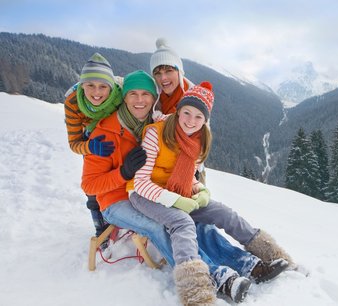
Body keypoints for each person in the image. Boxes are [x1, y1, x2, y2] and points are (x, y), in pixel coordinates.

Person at [81, 70, 281, 305]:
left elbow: (169, 166)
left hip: (158, 190)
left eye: (146, 94)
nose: (139, 100)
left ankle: (247, 262)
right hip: (116, 199)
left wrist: (197, 190)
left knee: (201, 221)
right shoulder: (106, 133)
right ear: (123, 97)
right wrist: (122, 173)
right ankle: (210, 277)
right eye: (133, 94)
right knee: (164, 225)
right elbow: (89, 184)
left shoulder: (158, 123)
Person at [129, 81, 294, 296]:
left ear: (205, 120)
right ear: (178, 111)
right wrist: (176, 201)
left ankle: (260, 258)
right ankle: (197, 285)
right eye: (187, 113)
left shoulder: (198, 141)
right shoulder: (155, 134)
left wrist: (201, 190)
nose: (191, 121)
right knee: (183, 222)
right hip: (144, 194)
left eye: (199, 117)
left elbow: (188, 178)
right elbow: (140, 182)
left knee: (223, 212)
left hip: (178, 192)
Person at [64, 52, 122, 241]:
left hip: (116, 134)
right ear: (82, 85)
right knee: (93, 186)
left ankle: (121, 221)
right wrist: (90, 148)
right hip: (91, 141)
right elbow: (74, 143)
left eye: (102, 86)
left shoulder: (119, 95)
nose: (96, 92)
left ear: (110, 87)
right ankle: (101, 230)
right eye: (90, 85)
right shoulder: (73, 101)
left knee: (118, 178)